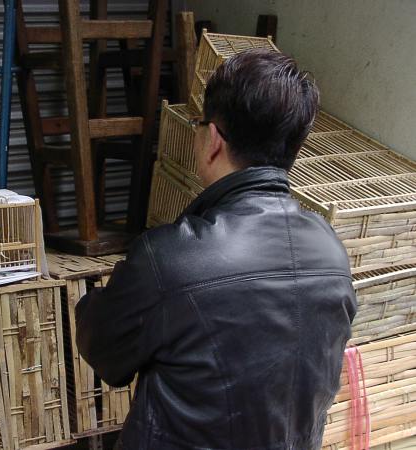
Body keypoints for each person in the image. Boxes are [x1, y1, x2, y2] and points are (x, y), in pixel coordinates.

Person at [75, 49, 357, 450]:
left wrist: (95, 303)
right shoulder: (331, 251)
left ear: (212, 140)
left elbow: (104, 352)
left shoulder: (170, 258)